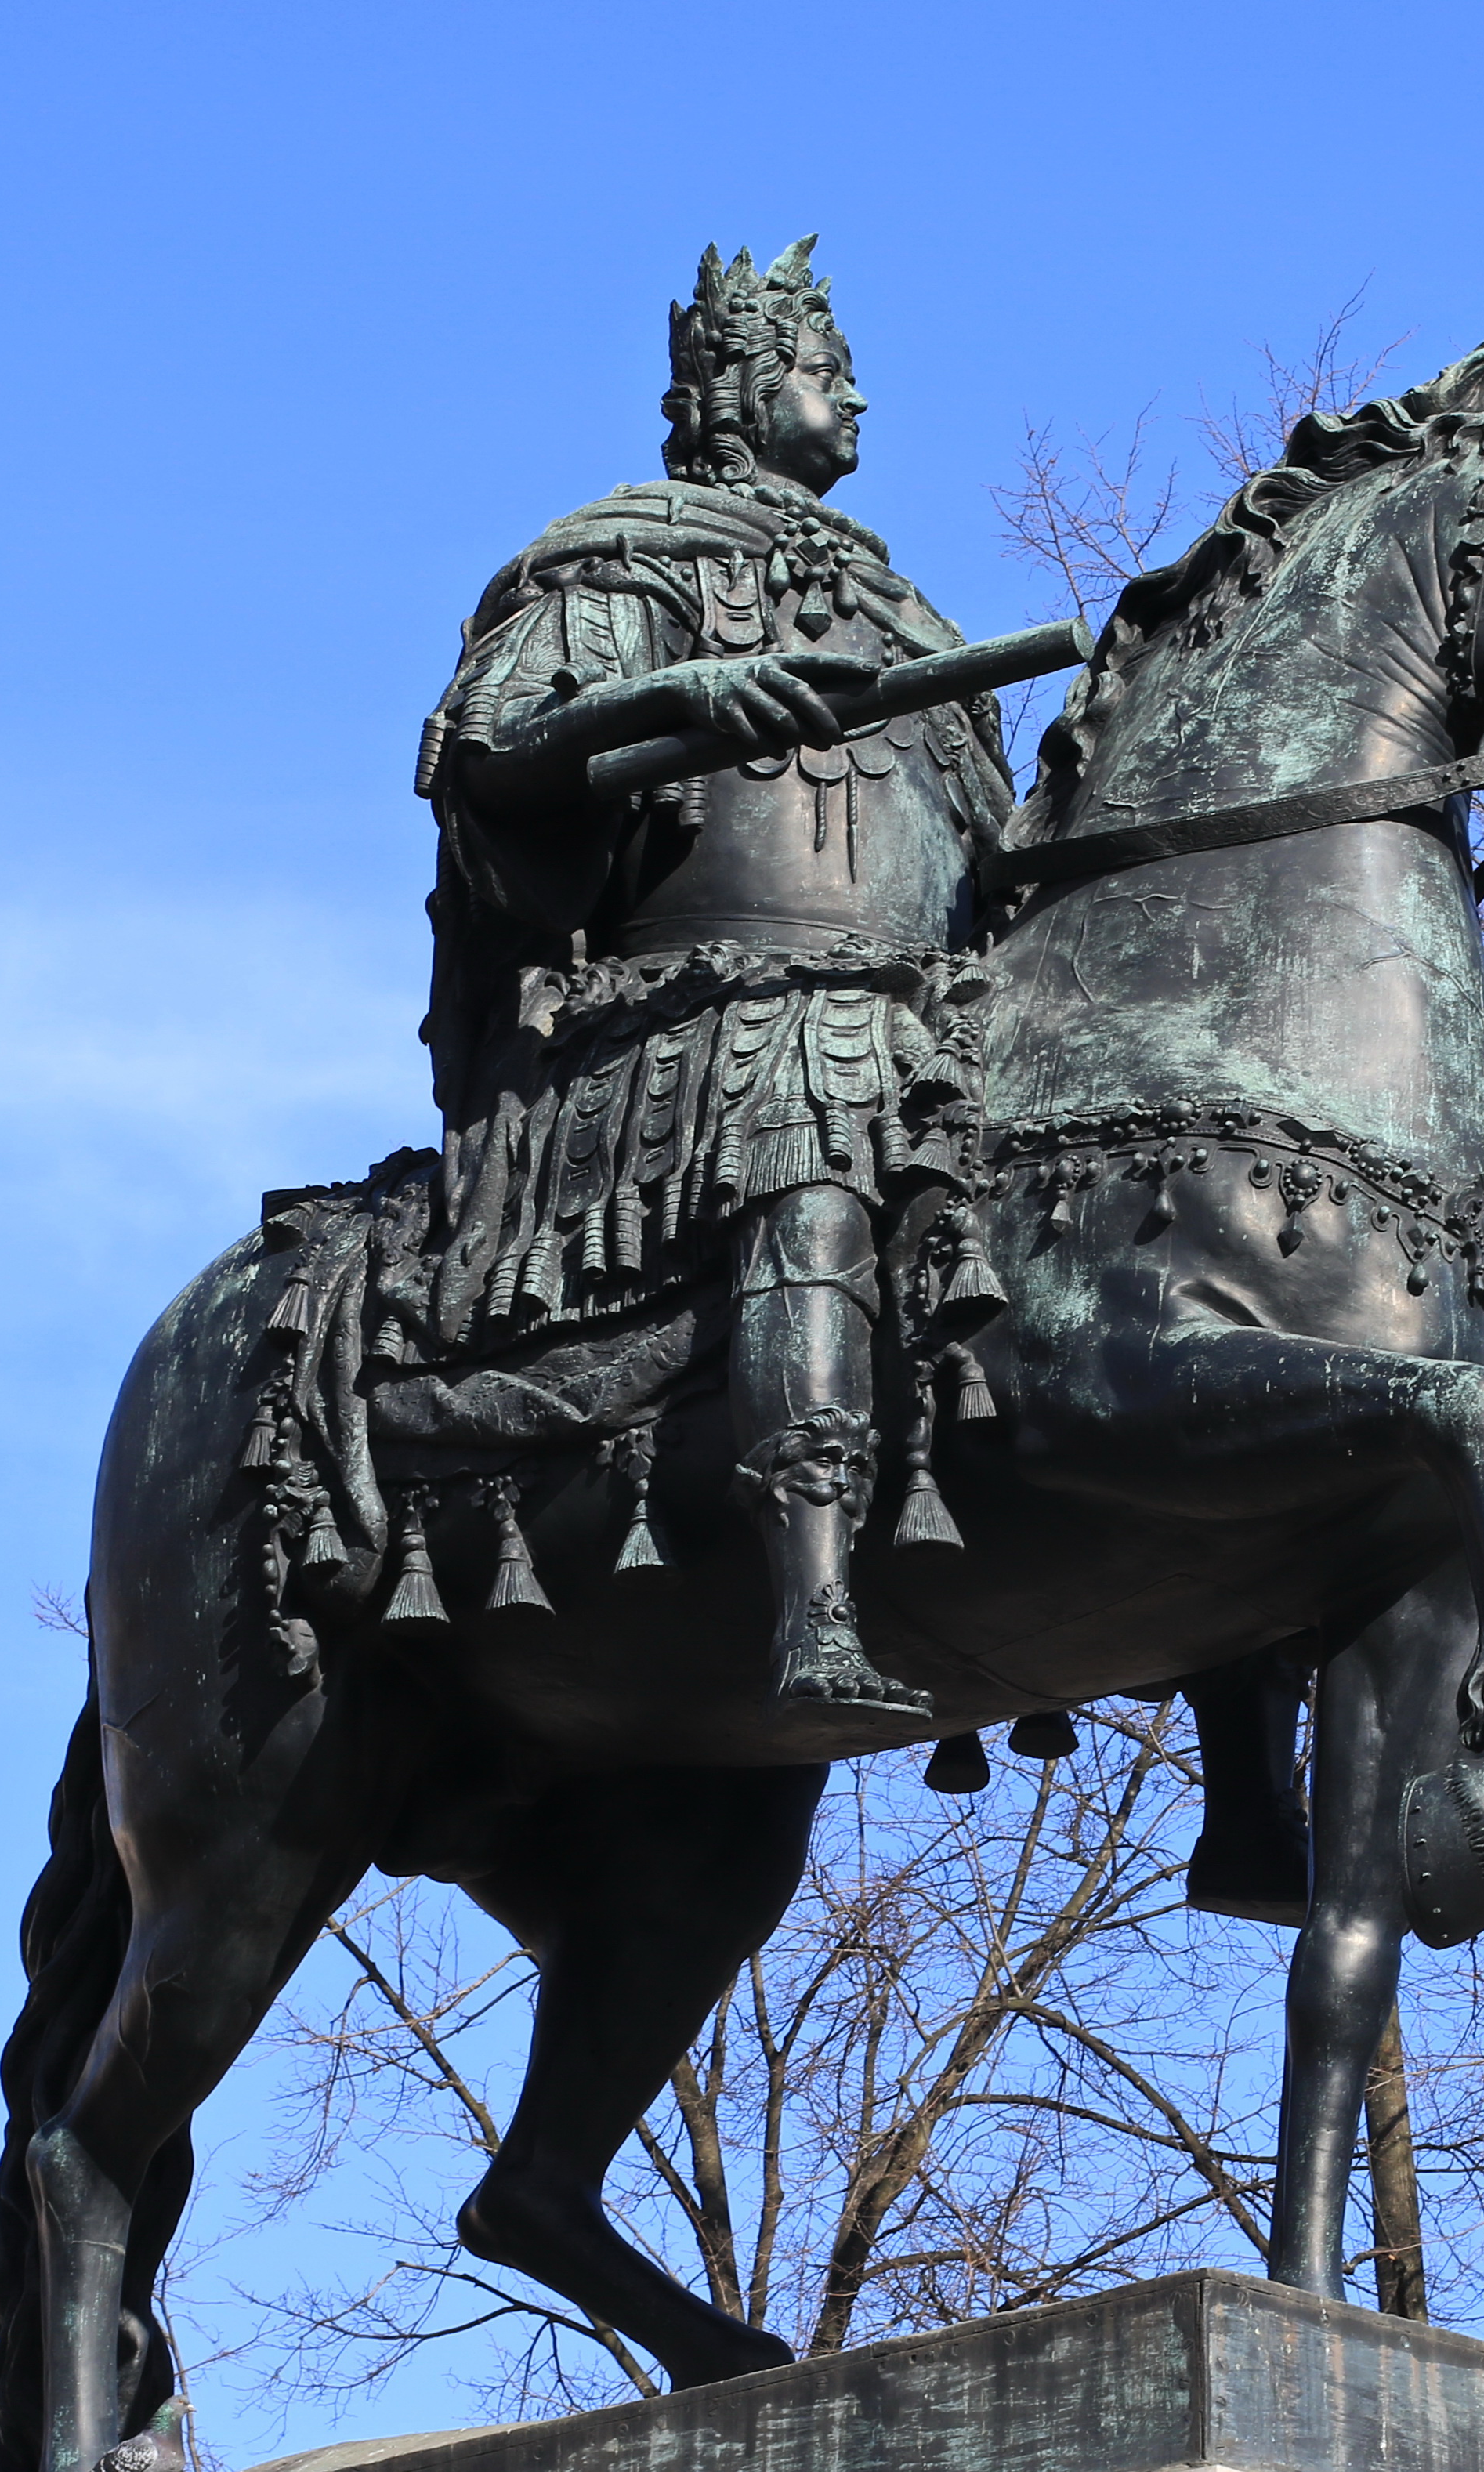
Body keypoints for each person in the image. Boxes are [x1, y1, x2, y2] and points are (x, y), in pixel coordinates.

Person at [405, 237, 1009, 1729]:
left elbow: (1005, 863)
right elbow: (489, 752)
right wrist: (669, 694)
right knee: (822, 1074)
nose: (855, 395)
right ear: (736, 397)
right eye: (819, 369)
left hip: (928, 1018)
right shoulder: (624, 563)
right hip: (698, 1032)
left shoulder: (915, 619)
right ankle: (811, 1608)